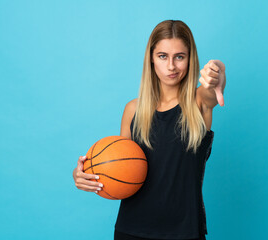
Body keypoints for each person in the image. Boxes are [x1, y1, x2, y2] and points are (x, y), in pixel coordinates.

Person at [73, 19, 226, 240]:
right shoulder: (132, 110)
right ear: (151, 59)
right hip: (130, 230)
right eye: (163, 56)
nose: (171, 66)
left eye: (179, 57)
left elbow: (215, 85)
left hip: (185, 232)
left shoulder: (199, 101)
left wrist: (217, 72)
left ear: (190, 60)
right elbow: (118, 169)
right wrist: (84, 175)